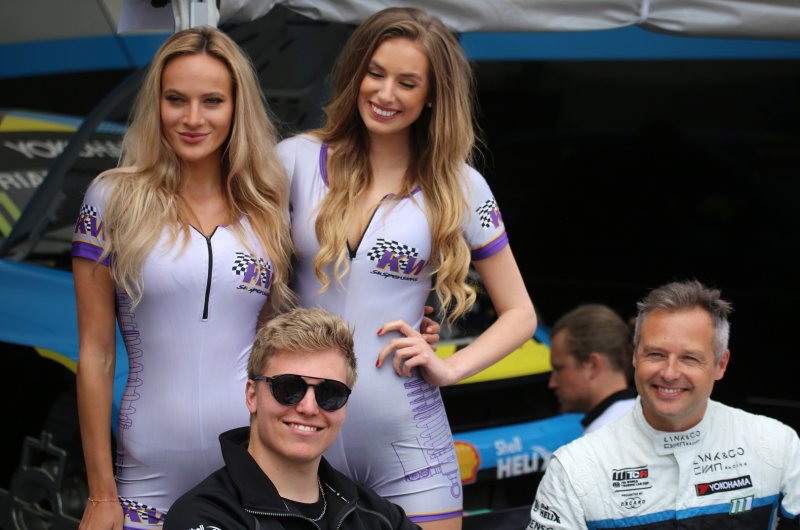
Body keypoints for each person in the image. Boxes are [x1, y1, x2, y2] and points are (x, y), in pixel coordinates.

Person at [277, 7, 537, 529]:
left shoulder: (460, 187)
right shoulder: (294, 159)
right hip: (295, 431)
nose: (385, 93)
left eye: (407, 82)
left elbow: (520, 315)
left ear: (432, 95)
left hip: (409, 444)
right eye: (375, 73)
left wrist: (450, 367)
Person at [71, 27, 294, 530]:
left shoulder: (267, 205)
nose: (193, 119)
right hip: (145, 478)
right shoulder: (112, 198)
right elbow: (96, 354)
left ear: (236, 108)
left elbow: (276, 344)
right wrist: (101, 494)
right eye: (176, 100)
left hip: (254, 470)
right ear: (157, 104)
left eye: (212, 101)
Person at [526, 280, 800, 529]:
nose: (669, 373)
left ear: (721, 364)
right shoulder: (574, 467)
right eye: (656, 354)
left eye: (689, 358)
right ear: (635, 356)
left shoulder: (777, 444)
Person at [164, 307, 420, 530]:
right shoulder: (203, 516)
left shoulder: (378, 515)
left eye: (330, 393)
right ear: (252, 395)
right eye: (288, 388)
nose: (308, 407)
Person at [547, 304, 636, 433]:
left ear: (592, 365)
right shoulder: (653, 420)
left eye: (559, 369)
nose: (552, 383)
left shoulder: (601, 438)